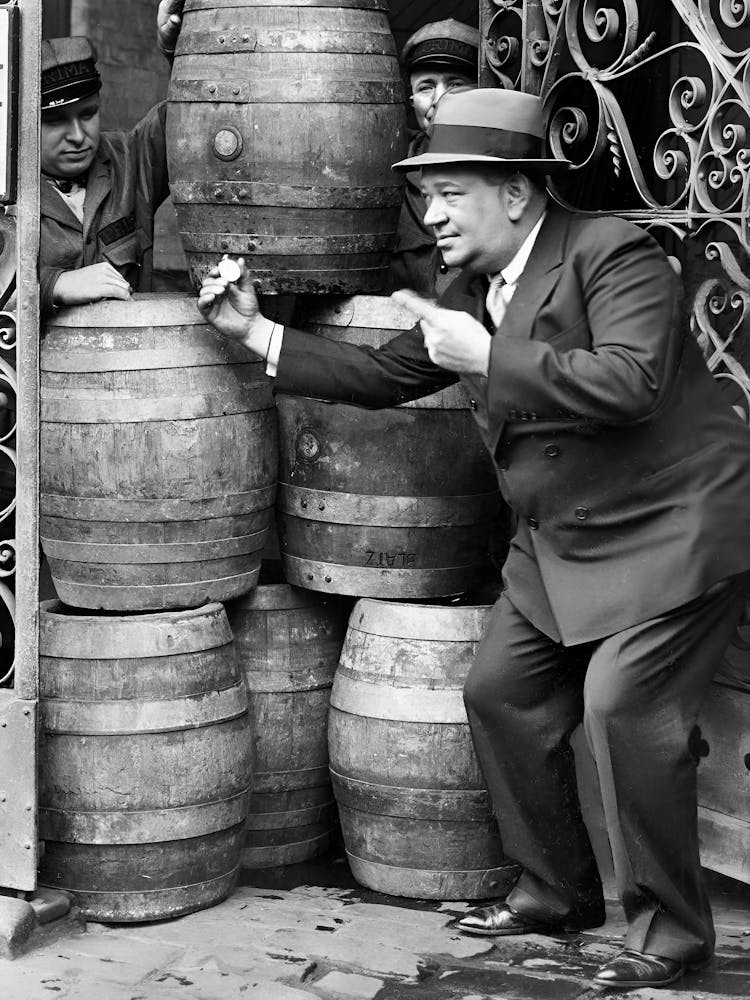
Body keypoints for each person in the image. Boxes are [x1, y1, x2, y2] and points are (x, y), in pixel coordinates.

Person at [196, 87, 750, 991]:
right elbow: (383, 375)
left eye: (452, 193)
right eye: (428, 195)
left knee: (623, 705)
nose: (433, 215)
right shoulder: (471, 291)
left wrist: (488, 356)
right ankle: (556, 892)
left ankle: (673, 935)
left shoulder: (613, 254)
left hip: (678, 522)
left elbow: (632, 382)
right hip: (565, 533)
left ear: (518, 194)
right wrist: (255, 330)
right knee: (501, 692)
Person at [39, 1, 185, 316]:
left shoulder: (129, 158)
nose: (78, 135)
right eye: (55, 121)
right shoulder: (6, 191)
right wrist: (53, 285)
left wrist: (180, 52)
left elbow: (189, 119)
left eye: (88, 114)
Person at [389, 18, 479, 296]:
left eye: (455, 84)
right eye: (425, 87)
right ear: (412, 100)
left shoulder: (502, 170)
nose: (439, 99)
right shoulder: (390, 161)